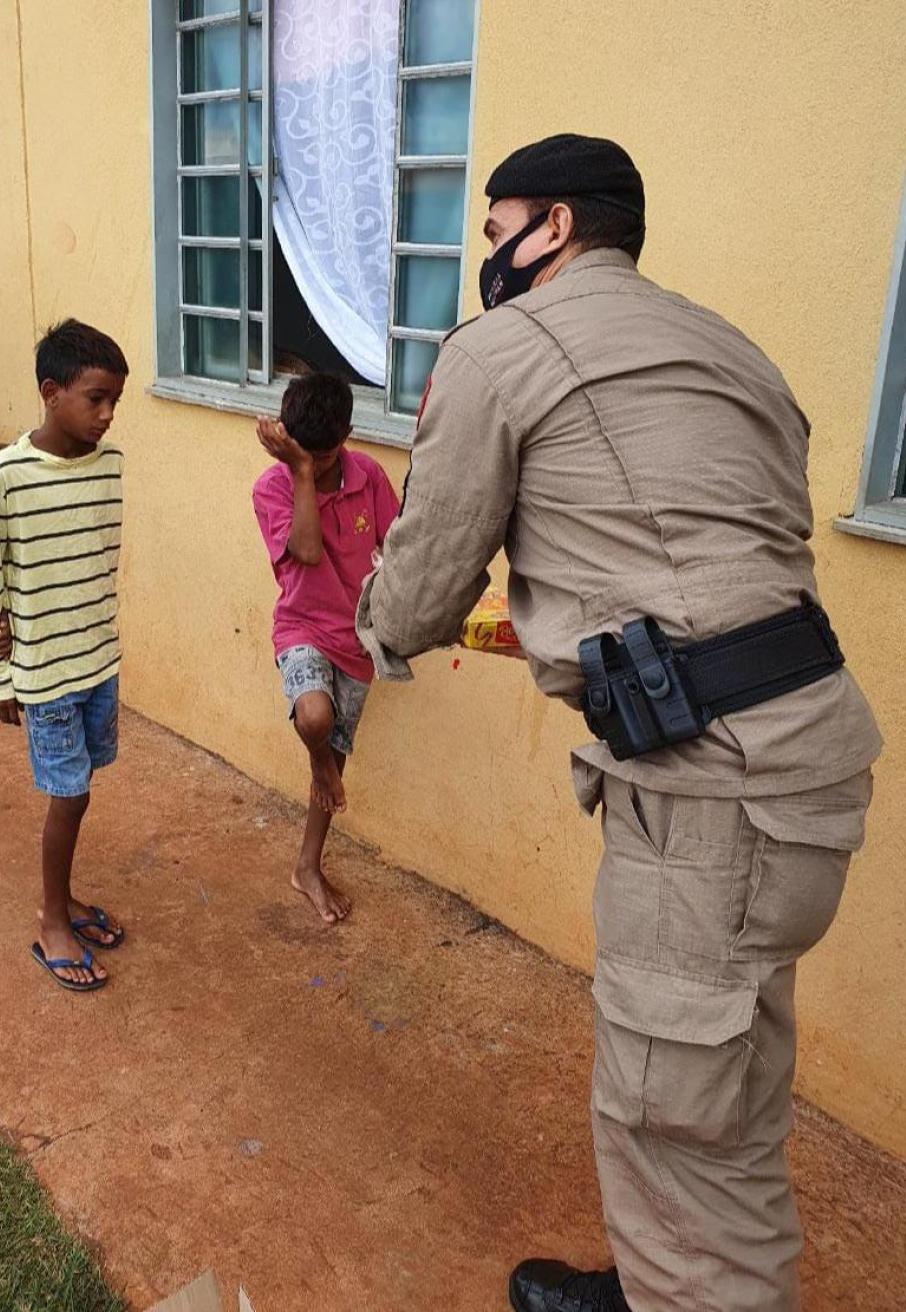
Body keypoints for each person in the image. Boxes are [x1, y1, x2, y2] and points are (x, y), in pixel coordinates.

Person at [358, 134, 882, 1311]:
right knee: (720, 1092)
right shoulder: (724, 347)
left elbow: (429, 571)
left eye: (494, 233)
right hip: (807, 772)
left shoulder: (501, 349)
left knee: (670, 1123)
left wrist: (375, 628)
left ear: (550, 225)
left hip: (707, 800)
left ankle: (687, 1289)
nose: (484, 259)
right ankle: (656, 1281)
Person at [0, 319, 130, 992]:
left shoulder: (111, 466)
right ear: (50, 391)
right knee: (70, 795)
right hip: (44, 675)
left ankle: (66, 901)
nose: (107, 413)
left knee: (82, 788)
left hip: (98, 663)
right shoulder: (4, 477)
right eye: (94, 397)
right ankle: (49, 921)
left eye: (114, 400)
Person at [252, 373, 400, 925]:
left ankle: (306, 866)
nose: (313, 462)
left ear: (348, 435)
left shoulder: (368, 476)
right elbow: (308, 552)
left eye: (324, 454)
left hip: (357, 639)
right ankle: (321, 765)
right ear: (288, 441)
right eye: (302, 453)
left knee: (334, 755)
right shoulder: (273, 487)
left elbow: (395, 544)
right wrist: (302, 474)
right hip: (301, 626)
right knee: (315, 719)